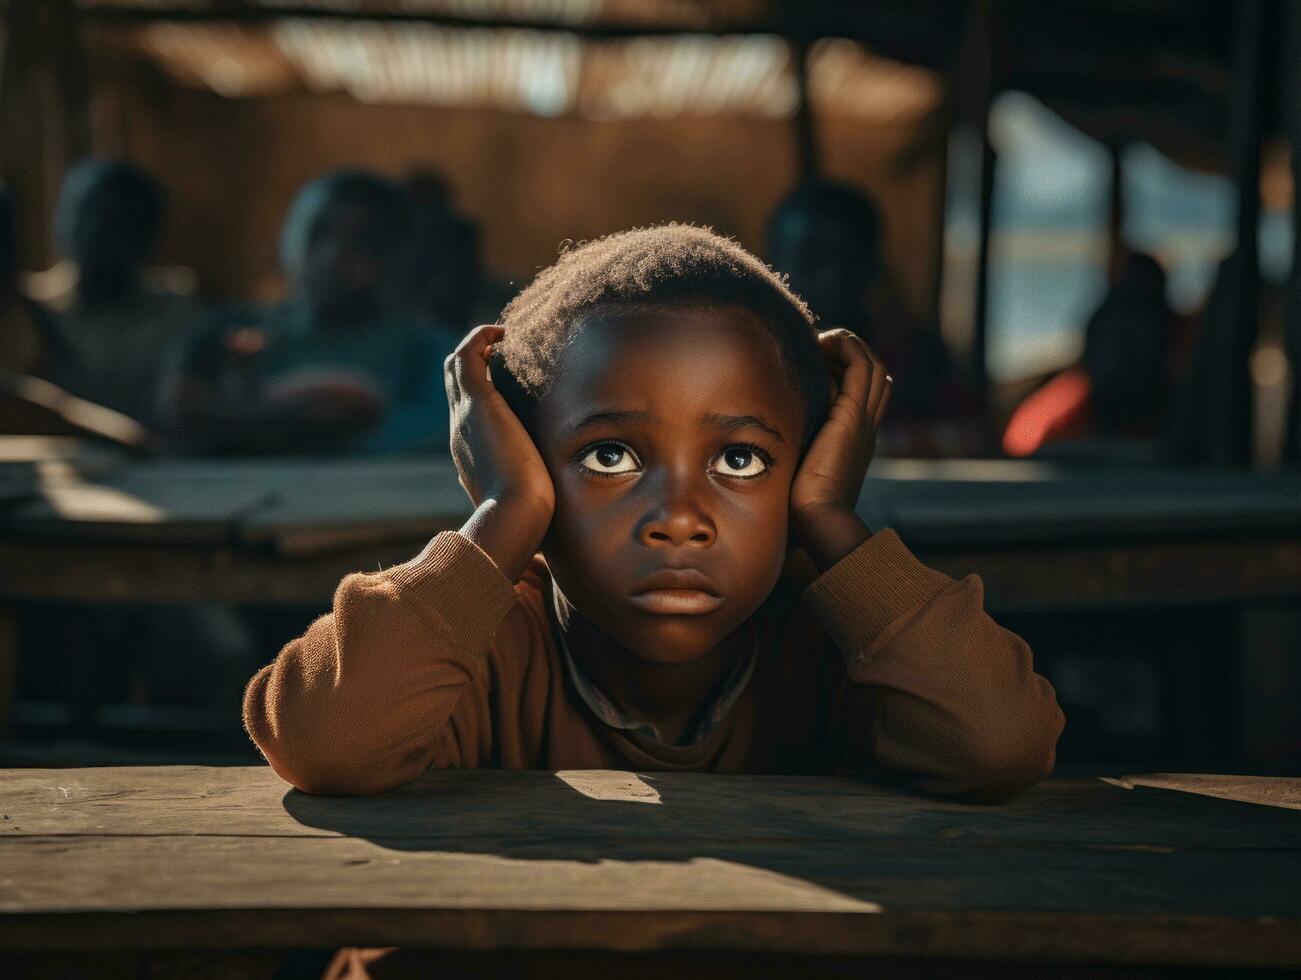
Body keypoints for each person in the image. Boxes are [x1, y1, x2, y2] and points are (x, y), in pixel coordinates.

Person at [245, 222, 1061, 806]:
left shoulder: (837, 649)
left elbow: (998, 744)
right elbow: (329, 740)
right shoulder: (477, 644)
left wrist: (829, 518)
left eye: (741, 460)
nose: (678, 519)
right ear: (521, 455)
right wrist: (504, 513)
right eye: (610, 457)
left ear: (810, 462)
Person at [159, 170, 457, 455]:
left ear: (397, 255)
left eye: (365, 242)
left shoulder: (427, 351)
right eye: (320, 232)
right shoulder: (225, 332)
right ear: (292, 232)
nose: (334, 256)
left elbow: (439, 435)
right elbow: (175, 420)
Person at [768, 179, 981, 456]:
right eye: (785, 258)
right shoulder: (750, 352)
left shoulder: (916, 355)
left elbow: (973, 436)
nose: (796, 276)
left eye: (820, 259)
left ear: (868, 268)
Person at [39, 159, 195, 423]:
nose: (89, 229)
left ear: (147, 232)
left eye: (113, 218)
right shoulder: (30, 310)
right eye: (78, 210)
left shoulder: (171, 315)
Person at [1003, 252, 1175, 458]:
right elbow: (1021, 445)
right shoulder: (1066, 403)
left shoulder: (1187, 420)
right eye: (1112, 339)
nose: (1120, 359)